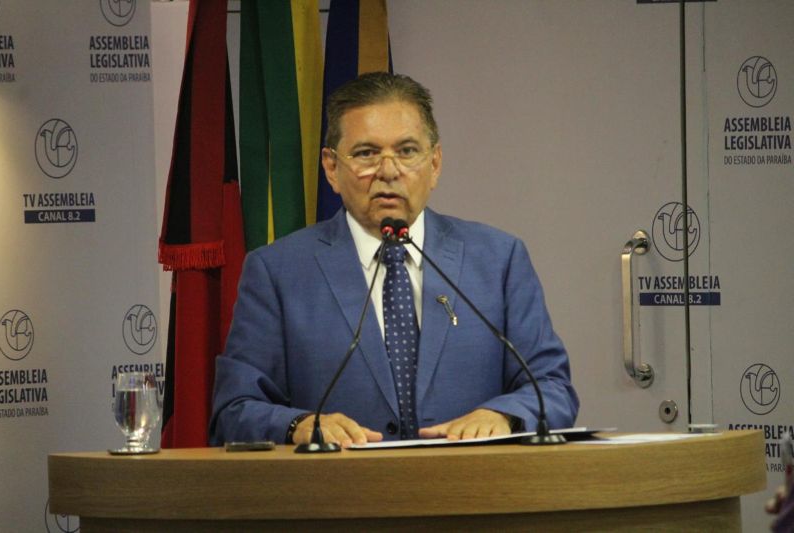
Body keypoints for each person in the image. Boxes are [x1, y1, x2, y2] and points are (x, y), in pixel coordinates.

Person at [209, 72, 578, 447]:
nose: (388, 171)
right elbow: (234, 409)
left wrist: (504, 415)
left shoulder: (498, 259)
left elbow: (552, 387)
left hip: (470, 481)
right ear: (332, 168)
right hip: (340, 483)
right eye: (366, 154)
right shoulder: (277, 272)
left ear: (434, 164)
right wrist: (297, 425)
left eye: (407, 151)